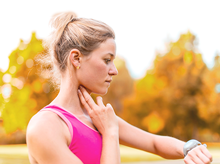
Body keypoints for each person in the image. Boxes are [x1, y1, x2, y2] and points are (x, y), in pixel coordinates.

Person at [26, 11, 212, 164]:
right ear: (76, 59)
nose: (114, 71)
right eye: (107, 60)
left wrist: (190, 148)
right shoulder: (45, 126)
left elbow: (154, 143)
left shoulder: (97, 116)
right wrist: (110, 133)